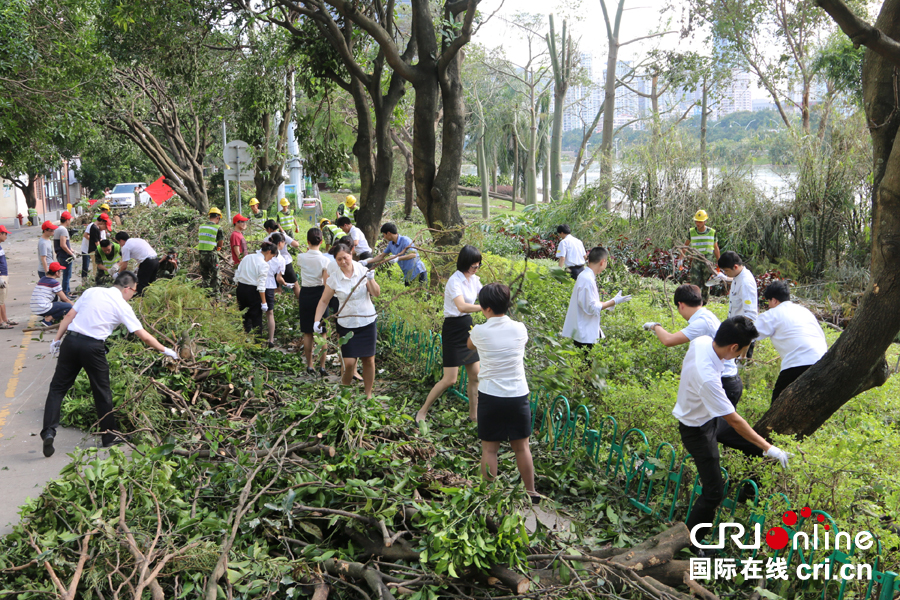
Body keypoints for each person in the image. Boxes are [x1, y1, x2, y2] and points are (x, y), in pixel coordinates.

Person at [674, 317, 789, 551]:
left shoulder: (703, 341)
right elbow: (735, 421)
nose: (743, 357)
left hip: (709, 418)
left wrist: (762, 447)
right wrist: (770, 448)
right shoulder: (707, 378)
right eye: (744, 351)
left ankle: (748, 494)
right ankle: (691, 544)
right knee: (714, 491)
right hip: (697, 429)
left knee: (751, 445)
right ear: (734, 347)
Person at [39, 271, 178, 457]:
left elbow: (69, 316)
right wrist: (166, 350)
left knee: (57, 388)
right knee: (102, 391)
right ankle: (108, 436)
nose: (133, 295)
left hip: (70, 342)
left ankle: (48, 431)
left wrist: (56, 340)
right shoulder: (122, 305)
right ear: (127, 288)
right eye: (134, 291)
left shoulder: (92, 291)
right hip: (93, 347)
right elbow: (143, 335)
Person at [466, 283, 538, 503]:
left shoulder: (479, 331)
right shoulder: (520, 329)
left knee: (489, 449)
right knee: (522, 446)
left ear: (485, 308)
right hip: (518, 396)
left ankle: (488, 495)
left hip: (490, 396)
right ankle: (531, 491)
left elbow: (469, 345)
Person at [643, 285, 743, 407]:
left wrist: (655, 326)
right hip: (726, 379)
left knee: (720, 424)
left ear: (681, 305)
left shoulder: (702, 323)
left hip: (724, 382)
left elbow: (668, 340)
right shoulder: (707, 315)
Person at [415, 245, 482, 422]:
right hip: (453, 328)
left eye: (478, 266)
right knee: (450, 379)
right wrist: (484, 307)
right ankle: (422, 411)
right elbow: (462, 306)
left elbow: (485, 295)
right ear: (465, 264)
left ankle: (473, 417)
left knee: (475, 376)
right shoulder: (455, 281)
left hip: (467, 326)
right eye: (473, 266)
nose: (476, 269)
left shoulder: (474, 279)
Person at [313, 242, 381, 398]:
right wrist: (317, 321)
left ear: (351, 254)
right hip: (346, 323)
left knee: (369, 360)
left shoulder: (363, 271)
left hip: (367, 321)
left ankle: (368, 394)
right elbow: (324, 301)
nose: (343, 262)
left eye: (345, 258)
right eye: (339, 260)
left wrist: (371, 279)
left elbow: (376, 293)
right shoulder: (335, 278)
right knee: (349, 363)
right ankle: (344, 394)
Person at [754, 281, 828, 403]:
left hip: (797, 364)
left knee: (776, 408)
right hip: (822, 362)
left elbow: (749, 334)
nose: (769, 305)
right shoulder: (805, 311)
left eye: (768, 302)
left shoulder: (772, 314)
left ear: (774, 300)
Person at [561, 246, 632, 349]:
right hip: (585, 335)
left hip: (587, 330)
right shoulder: (587, 279)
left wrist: (611, 302)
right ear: (602, 262)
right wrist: (614, 302)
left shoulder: (586, 276)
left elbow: (591, 303)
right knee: (587, 364)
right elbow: (591, 307)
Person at [297, 227, 332, 376]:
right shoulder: (325, 260)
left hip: (305, 293)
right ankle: (322, 366)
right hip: (320, 295)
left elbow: (305, 257)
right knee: (323, 333)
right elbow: (326, 282)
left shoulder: (301, 257)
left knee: (308, 332)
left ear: (307, 241)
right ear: (322, 241)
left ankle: (310, 365)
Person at [716, 251, 758, 358]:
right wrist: (724, 278)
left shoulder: (746, 283)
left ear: (735, 266)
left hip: (741, 338)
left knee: (739, 370)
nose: (726, 273)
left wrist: (743, 353)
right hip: (734, 333)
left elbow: (750, 316)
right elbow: (734, 279)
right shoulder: (738, 275)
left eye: (726, 271)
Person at [234, 241, 278, 334]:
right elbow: (261, 286)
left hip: (241, 289)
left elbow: (237, 273)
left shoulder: (247, 257)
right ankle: (257, 342)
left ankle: (246, 339)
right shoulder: (264, 264)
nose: (270, 259)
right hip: (253, 291)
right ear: (269, 252)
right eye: (272, 256)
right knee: (256, 318)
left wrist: (239, 288)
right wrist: (264, 302)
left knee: (244, 316)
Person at [681, 210, 720, 304]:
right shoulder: (692, 232)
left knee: (706, 282)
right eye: (696, 221)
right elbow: (685, 246)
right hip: (696, 259)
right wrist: (680, 259)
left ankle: (705, 301)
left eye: (700, 221)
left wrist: (719, 263)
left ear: (705, 221)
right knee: (695, 281)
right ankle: (695, 301)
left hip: (708, 260)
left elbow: (716, 248)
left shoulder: (712, 232)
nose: (698, 223)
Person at [263, 219, 301, 300]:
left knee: (277, 288)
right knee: (295, 285)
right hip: (286, 263)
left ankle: (277, 306)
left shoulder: (266, 239)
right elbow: (296, 244)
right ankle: (302, 304)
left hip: (273, 264)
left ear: (269, 229)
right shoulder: (282, 235)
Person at [264, 233, 289, 347]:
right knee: (270, 313)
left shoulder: (262, 252)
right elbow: (279, 278)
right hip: (269, 285)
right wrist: (285, 284)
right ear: (280, 243)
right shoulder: (280, 259)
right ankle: (271, 340)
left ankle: (254, 336)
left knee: (256, 310)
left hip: (256, 283)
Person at [30, 262, 73, 327]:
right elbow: (65, 299)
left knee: (56, 301)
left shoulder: (42, 279)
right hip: (43, 307)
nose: (61, 273)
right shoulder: (54, 283)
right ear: (56, 273)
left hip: (34, 308)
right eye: (60, 271)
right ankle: (48, 319)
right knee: (68, 306)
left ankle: (48, 316)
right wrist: (75, 306)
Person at [197, 207, 225, 293]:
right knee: (215, 275)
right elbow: (220, 243)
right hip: (212, 254)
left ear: (209, 217)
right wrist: (218, 248)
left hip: (201, 255)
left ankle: (205, 293)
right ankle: (215, 294)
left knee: (205, 275)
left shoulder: (201, 227)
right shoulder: (218, 228)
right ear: (217, 217)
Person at [80, 213, 111, 280]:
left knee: (96, 266)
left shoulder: (99, 228)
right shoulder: (93, 227)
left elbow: (99, 239)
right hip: (88, 249)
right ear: (102, 222)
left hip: (95, 249)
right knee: (87, 267)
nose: (105, 229)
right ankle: (85, 281)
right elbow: (86, 235)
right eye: (105, 227)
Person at [53, 211, 76, 296]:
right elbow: (63, 245)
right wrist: (71, 254)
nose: (70, 221)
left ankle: (68, 292)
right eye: (70, 220)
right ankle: (65, 294)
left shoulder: (57, 229)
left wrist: (73, 250)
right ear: (67, 220)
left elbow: (64, 244)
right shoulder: (63, 230)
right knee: (67, 276)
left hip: (60, 255)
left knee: (67, 275)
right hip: (65, 256)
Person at [0, 225, 10, 329]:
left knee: (2, 299)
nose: (6, 236)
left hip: (4, 275)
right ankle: (1, 321)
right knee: (0, 300)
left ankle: (5, 319)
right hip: (1, 276)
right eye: (5, 234)